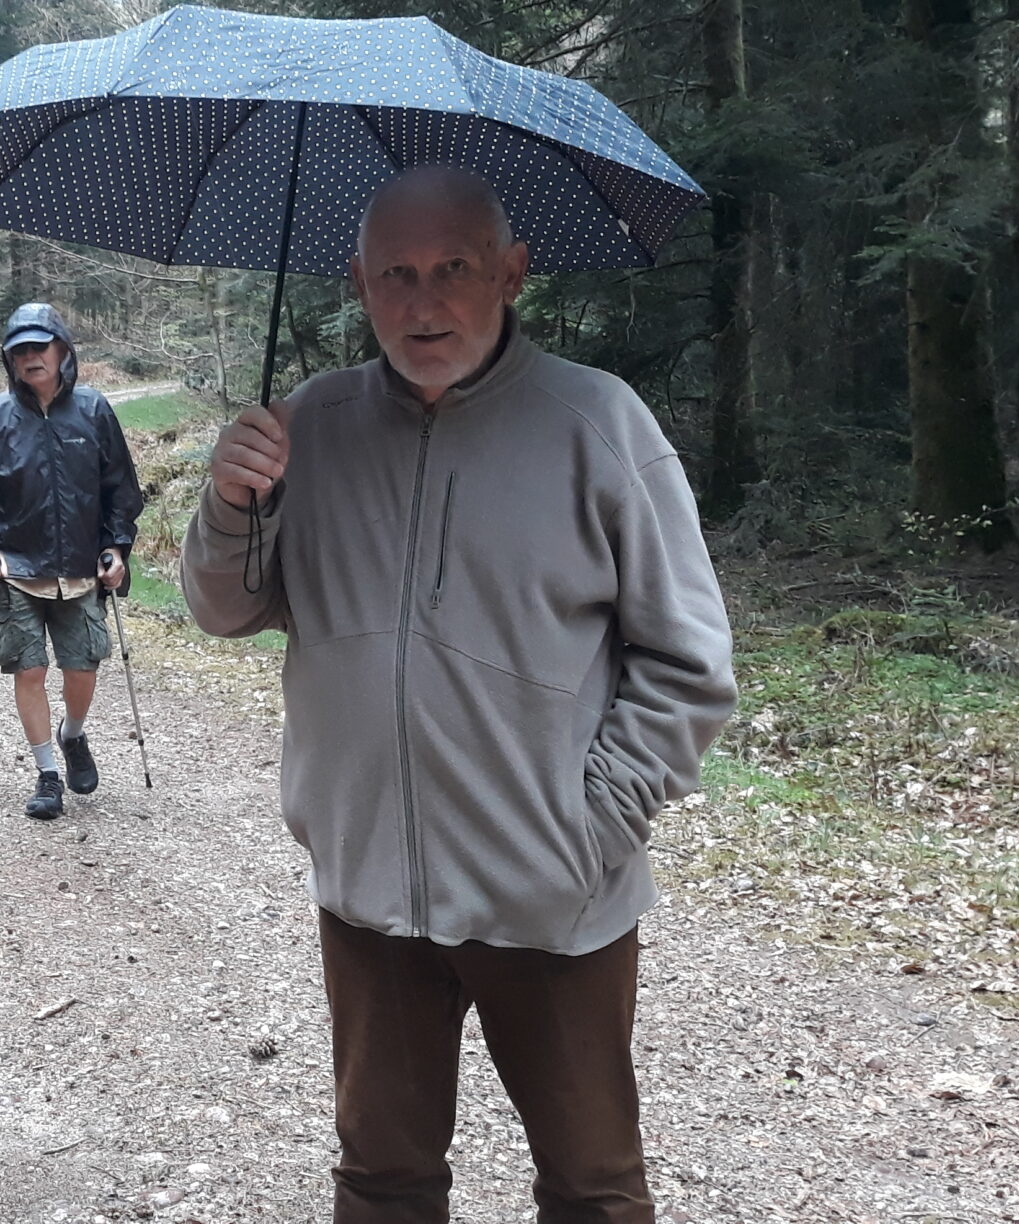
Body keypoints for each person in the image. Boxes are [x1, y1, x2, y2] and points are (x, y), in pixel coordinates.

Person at [183, 164, 736, 1224]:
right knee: (381, 1181)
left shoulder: (597, 422)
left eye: (454, 269)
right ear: (358, 282)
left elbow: (689, 661)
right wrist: (232, 501)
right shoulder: (310, 424)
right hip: (367, 894)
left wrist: (586, 828)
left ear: (512, 273)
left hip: (553, 898)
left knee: (592, 1188)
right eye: (395, 273)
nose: (423, 302)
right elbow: (224, 609)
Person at [0, 302, 142, 822]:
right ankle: (47, 773)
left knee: (83, 668)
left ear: (62, 351)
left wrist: (117, 547)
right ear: (9, 360)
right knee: (28, 669)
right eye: (20, 351)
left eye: (39, 347)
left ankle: (72, 734)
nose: (30, 357)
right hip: (17, 572)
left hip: (80, 570)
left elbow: (121, 492)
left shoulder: (94, 411)